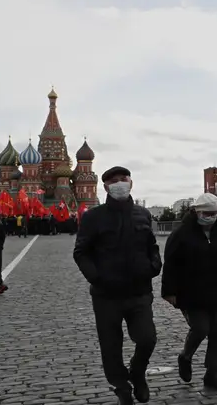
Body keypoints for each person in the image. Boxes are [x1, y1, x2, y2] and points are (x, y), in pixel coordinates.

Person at [73, 166, 162, 405]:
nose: (119, 183)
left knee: (147, 338)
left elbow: (151, 246)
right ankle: (121, 386)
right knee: (111, 346)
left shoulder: (142, 214)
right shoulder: (93, 217)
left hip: (139, 292)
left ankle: (137, 373)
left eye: (123, 179)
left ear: (131, 182)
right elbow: (81, 252)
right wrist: (97, 277)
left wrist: (154, 266)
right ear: (105, 187)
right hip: (106, 296)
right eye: (114, 181)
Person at [161, 193, 217, 391]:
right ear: (196, 212)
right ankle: (186, 356)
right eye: (206, 213)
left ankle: (212, 372)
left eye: (214, 213)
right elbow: (171, 265)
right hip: (191, 292)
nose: (210, 217)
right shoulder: (181, 234)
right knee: (200, 328)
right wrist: (169, 292)